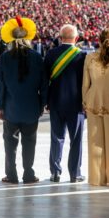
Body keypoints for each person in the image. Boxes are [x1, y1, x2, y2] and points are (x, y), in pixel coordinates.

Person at [0, 16, 47, 184]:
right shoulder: (37, 57)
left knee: (10, 144)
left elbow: (0, 85)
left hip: (10, 108)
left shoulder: (4, 58)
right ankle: (29, 174)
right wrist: (42, 104)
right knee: (29, 142)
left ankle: (11, 175)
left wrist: (0, 106)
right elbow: (44, 84)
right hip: (31, 108)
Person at [82, 28, 109, 186]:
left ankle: (96, 178)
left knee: (94, 141)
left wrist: (84, 100)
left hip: (93, 99)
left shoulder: (89, 57)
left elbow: (86, 83)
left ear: (98, 41)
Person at [44, 24, 86, 183]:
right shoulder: (82, 56)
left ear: (60, 38)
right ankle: (75, 174)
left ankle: (55, 172)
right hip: (76, 105)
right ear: (76, 38)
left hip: (55, 102)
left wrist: (46, 101)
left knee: (57, 138)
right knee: (76, 140)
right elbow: (85, 82)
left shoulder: (51, 54)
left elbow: (44, 80)